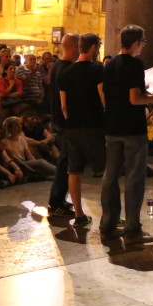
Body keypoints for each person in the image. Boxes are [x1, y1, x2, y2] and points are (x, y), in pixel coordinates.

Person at [100, 25, 153, 245]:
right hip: (132, 129)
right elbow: (135, 99)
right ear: (136, 42)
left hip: (112, 127)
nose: (144, 46)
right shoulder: (135, 64)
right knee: (135, 180)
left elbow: (111, 94)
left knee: (110, 178)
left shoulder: (109, 65)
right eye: (143, 42)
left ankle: (108, 225)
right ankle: (132, 229)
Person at [58, 33, 105, 227]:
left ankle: (78, 214)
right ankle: (109, 216)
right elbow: (103, 98)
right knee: (106, 171)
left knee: (74, 171)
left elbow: (63, 106)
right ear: (93, 47)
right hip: (93, 127)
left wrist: (72, 120)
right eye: (99, 47)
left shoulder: (65, 72)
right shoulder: (97, 69)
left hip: (72, 128)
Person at [46, 33, 78, 218]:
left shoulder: (57, 66)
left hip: (58, 121)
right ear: (73, 46)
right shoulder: (67, 69)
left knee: (66, 162)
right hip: (65, 123)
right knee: (65, 163)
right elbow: (65, 102)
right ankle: (56, 201)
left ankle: (59, 199)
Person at [0, 116, 57, 181]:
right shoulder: (4, 142)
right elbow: (14, 158)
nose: (20, 126)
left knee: (40, 166)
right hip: (16, 165)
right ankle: (60, 173)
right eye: (16, 125)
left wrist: (34, 163)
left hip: (25, 163)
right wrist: (35, 164)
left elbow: (29, 155)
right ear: (10, 128)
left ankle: (56, 176)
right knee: (41, 162)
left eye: (20, 124)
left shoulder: (21, 139)